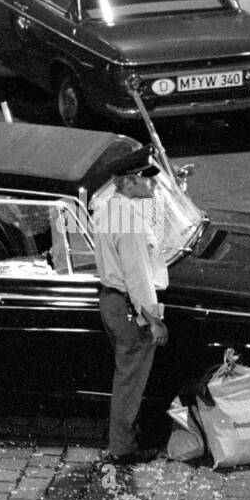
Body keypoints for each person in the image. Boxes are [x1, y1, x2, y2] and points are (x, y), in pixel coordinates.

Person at [93, 148, 169, 465]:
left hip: (112, 301)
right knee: (130, 380)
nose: (152, 184)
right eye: (145, 179)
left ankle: (124, 438)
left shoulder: (110, 207)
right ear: (127, 184)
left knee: (127, 376)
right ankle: (122, 448)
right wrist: (154, 320)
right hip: (128, 306)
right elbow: (138, 277)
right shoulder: (129, 223)